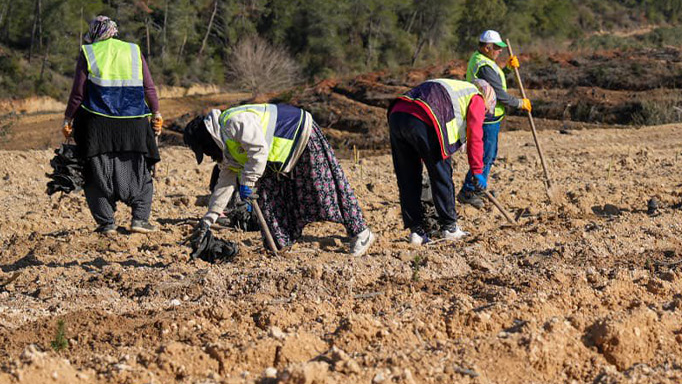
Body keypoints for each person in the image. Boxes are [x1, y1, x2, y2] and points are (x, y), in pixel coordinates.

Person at [183, 103, 373, 256]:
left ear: (208, 139)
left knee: (323, 188)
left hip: (299, 134)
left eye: (206, 151)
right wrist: (208, 219)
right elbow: (224, 184)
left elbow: (258, 151)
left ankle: (361, 232)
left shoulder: (233, 122)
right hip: (276, 159)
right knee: (268, 198)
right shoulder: (226, 149)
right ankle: (280, 243)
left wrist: (248, 183)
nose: (208, 156)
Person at [62, 15, 162, 235]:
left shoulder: (89, 52)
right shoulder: (133, 51)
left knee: (96, 174)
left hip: (97, 125)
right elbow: (149, 88)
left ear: (95, 34)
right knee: (140, 170)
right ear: (114, 32)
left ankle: (107, 223)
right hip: (134, 123)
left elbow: (78, 94)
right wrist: (156, 112)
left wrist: (68, 118)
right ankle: (140, 219)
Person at [388, 76, 495, 244]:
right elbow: (475, 135)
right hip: (426, 117)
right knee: (441, 174)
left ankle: (416, 232)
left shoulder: (456, 87)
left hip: (398, 114)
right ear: (488, 97)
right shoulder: (477, 97)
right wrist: (477, 170)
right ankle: (450, 228)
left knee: (407, 176)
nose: (485, 114)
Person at [462, 30, 530, 208]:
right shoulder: (483, 65)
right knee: (486, 156)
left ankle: (475, 188)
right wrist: (519, 103)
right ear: (486, 47)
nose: (500, 51)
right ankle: (469, 191)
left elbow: (494, 81)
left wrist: (507, 68)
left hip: (489, 116)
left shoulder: (483, 60)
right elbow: (499, 94)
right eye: (497, 48)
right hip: (486, 118)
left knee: (489, 155)